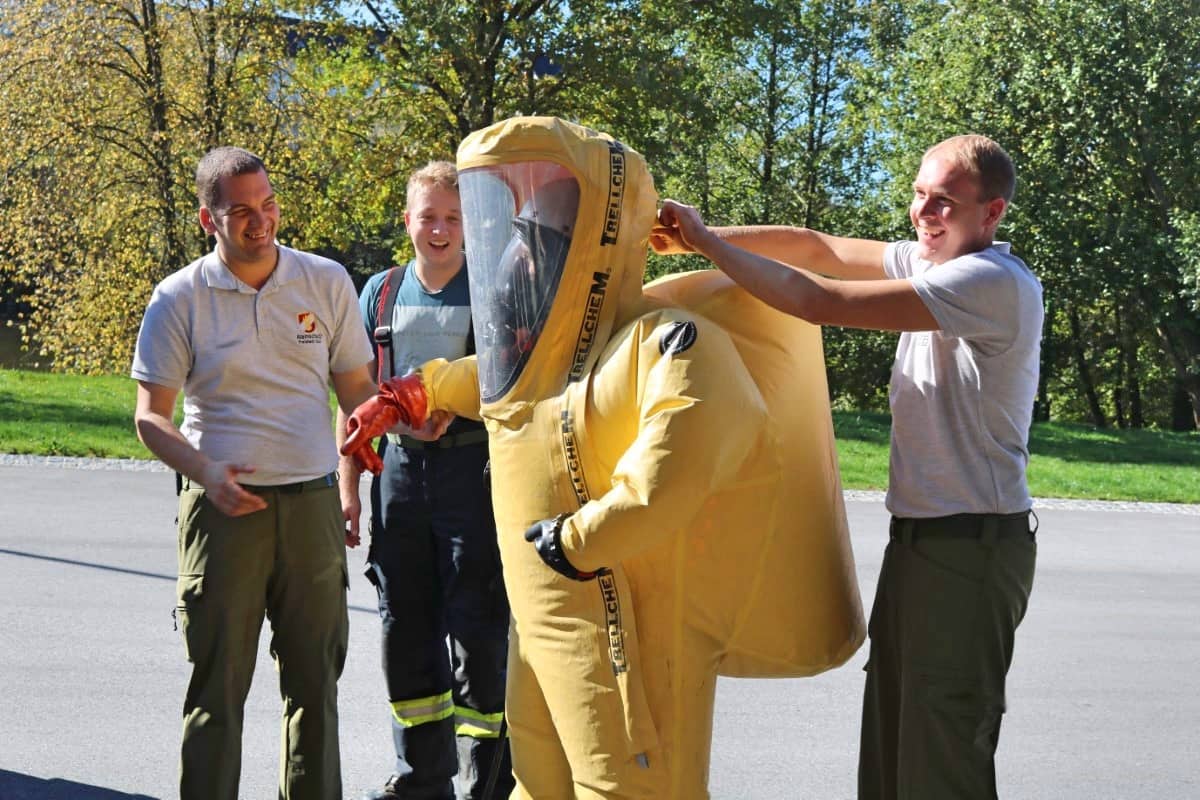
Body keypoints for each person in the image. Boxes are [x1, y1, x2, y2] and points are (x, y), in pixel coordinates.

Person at [340, 116, 865, 799]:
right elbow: (502, 390)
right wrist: (411, 394)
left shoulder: (669, 341)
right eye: (520, 234)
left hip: (628, 644)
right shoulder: (549, 360)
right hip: (543, 626)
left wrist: (579, 539)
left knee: (626, 788)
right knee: (539, 778)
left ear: (592, 243)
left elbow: (682, 458)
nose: (520, 256)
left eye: (542, 237)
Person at [653, 133, 1043, 800]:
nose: (924, 213)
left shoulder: (991, 283)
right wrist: (699, 234)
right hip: (923, 540)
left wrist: (712, 247)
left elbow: (821, 298)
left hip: (971, 548)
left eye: (944, 202)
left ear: (992, 214)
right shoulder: (927, 261)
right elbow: (818, 247)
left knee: (939, 760)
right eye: (919, 195)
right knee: (893, 748)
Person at [130, 146, 378, 800]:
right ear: (208, 219)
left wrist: (398, 419)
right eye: (240, 210)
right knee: (217, 689)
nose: (260, 221)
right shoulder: (179, 297)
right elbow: (150, 417)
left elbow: (358, 392)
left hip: (312, 509)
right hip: (221, 512)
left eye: (267, 204)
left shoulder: (324, 281)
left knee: (315, 689)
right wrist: (206, 472)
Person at [337, 161, 513, 800]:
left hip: (478, 479)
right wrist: (349, 488)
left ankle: (487, 783)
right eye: (428, 217)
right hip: (400, 485)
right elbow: (353, 400)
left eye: (453, 218)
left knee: (479, 633)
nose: (439, 230)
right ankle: (421, 780)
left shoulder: (496, 290)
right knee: (405, 629)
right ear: (406, 220)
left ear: (471, 224)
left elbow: (523, 393)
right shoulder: (379, 293)